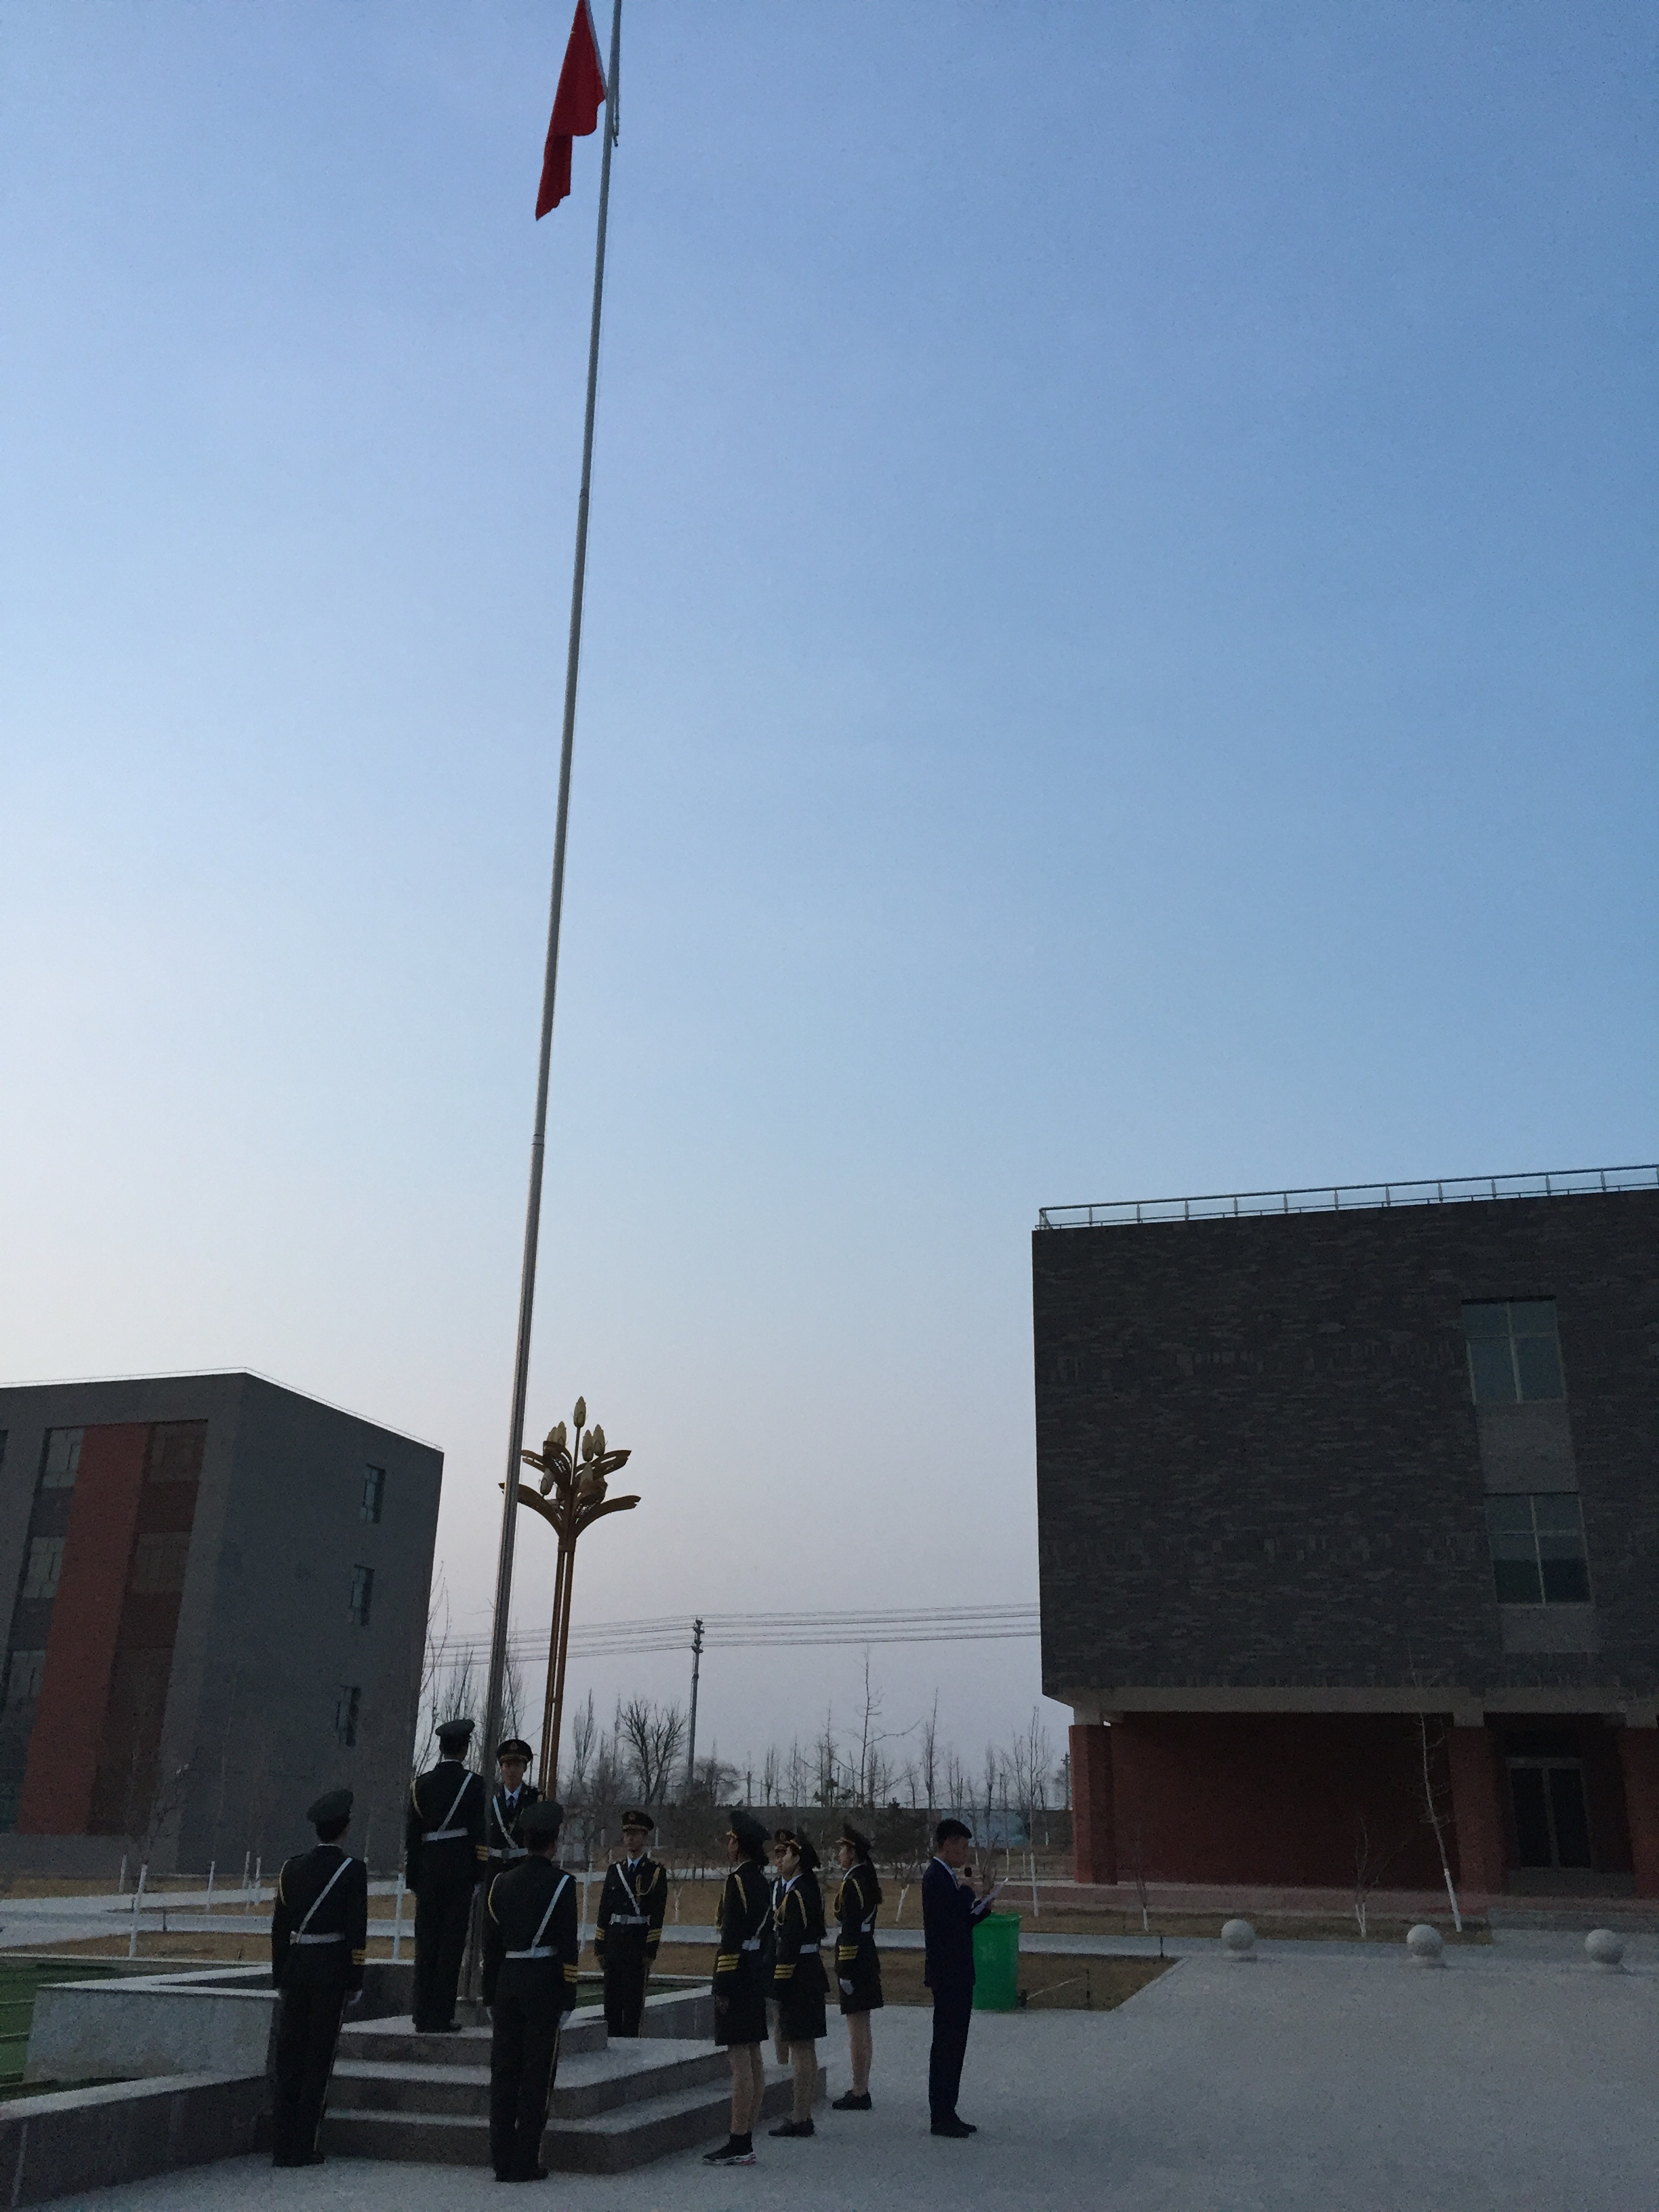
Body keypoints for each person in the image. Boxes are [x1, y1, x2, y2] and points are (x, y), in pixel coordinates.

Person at [269, 1786, 368, 2168]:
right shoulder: (352, 1870)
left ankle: (282, 2143)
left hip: (296, 1969)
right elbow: (356, 1929)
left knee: (290, 2055)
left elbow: (279, 1930)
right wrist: (355, 1978)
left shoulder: (290, 1869)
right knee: (318, 2058)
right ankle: (304, 2143)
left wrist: (280, 1976)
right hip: (330, 1970)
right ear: (344, 1829)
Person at [483, 1798, 579, 2184]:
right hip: (543, 1983)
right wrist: (569, 1995)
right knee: (537, 2074)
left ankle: (501, 2157)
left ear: (524, 1841)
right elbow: (568, 1947)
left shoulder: (500, 1884)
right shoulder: (563, 1885)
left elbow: (490, 1947)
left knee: (504, 2072)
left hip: (507, 1980)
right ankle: (526, 2159)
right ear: (553, 1842)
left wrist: (490, 1993)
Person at [405, 1714, 489, 2032]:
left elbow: (412, 1837)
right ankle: (441, 2014)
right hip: (459, 1873)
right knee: (451, 1944)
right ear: (465, 1749)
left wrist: (414, 1877)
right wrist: (479, 1874)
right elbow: (478, 1834)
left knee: (426, 1943)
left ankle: (421, 2013)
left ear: (441, 1748)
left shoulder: (420, 1785)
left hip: (428, 1872)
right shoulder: (473, 1784)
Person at [702, 1808, 773, 2167]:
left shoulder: (738, 1882)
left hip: (738, 1974)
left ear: (739, 1845)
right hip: (755, 1972)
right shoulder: (762, 1881)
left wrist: (722, 1985)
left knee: (740, 2060)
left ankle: (739, 2139)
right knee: (754, 2055)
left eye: (731, 1840)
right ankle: (746, 2134)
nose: (728, 1845)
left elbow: (730, 1938)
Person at [922, 1817, 999, 2138]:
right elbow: (950, 1920)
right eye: (963, 1847)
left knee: (956, 2044)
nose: (966, 1854)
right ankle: (940, 2115)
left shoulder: (947, 1877)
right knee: (946, 2044)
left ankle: (949, 2110)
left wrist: (981, 1906)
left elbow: (961, 1920)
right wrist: (970, 1896)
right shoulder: (936, 1877)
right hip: (948, 1973)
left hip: (957, 1971)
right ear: (948, 1844)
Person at [767, 1826, 827, 2139]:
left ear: (798, 1859)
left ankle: (800, 2116)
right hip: (807, 1971)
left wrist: (779, 1982)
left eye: (787, 1853)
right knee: (804, 2046)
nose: (781, 1859)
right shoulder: (802, 1888)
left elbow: (790, 1941)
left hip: (799, 1975)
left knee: (801, 2047)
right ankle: (802, 2113)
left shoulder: (799, 1893)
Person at [594, 1809, 667, 2036]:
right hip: (615, 1942)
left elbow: (657, 1915)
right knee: (612, 2004)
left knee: (633, 2006)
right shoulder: (615, 1871)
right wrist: (600, 1946)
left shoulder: (655, 1872)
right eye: (627, 1834)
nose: (630, 1838)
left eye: (635, 1834)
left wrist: (650, 1950)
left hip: (637, 1943)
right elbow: (604, 1911)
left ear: (644, 1837)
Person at [829, 1822, 883, 2110]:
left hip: (856, 1956)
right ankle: (862, 2085)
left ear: (852, 1853)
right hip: (866, 1952)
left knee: (856, 2028)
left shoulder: (853, 1883)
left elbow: (849, 1927)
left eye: (842, 1849)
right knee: (863, 2025)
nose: (839, 1854)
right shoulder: (865, 1878)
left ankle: (859, 2089)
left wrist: (844, 1969)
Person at [487, 1738, 541, 1877]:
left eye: (517, 1765)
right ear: (501, 1768)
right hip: (494, 1870)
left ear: (524, 1768)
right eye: (508, 1765)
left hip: (524, 1870)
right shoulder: (489, 1799)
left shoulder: (535, 1799)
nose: (512, 1771)